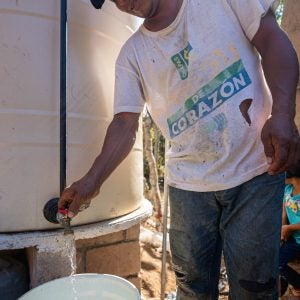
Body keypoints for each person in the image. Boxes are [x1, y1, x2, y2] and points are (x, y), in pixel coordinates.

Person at [58, 0, 300, 299]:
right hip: (188, 188)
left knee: (255, 287)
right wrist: (91, 181)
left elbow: (273, 40)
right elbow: (125, 122)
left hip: (256, 172)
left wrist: (283, 115)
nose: (123, 2)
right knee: (192, 289)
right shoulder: (132, 55)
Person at [279, 162, 300, 299]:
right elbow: (284, 213)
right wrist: (282, 230)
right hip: (293, 238)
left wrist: (289, 228)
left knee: (277, 261)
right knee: (275, 260)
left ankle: (297, 284)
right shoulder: (287, 189)